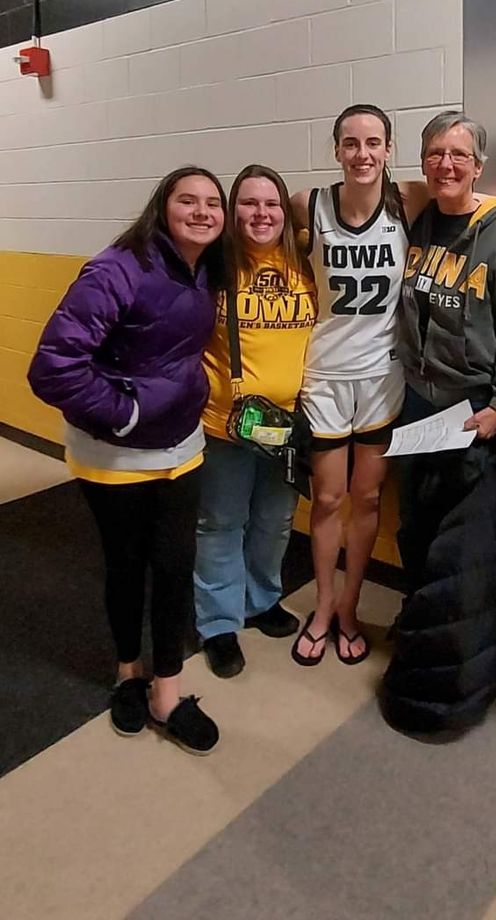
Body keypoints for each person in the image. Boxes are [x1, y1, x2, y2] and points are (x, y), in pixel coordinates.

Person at [289, 105, 496, 669]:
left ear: (387, 148)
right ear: (335, 150)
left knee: (374, 500)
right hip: (331, 376)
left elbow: (481, 200)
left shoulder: (407, 199)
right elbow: (254, 222)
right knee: (330, 500)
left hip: (388, 379)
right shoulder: (310, 203)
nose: (362, 153)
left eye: (373, 142)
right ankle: (325, 607)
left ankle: (353, 609)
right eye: (350, 143)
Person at [28, 166, 228, 756]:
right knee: (126, 565)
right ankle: (127, 673)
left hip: (182, 447)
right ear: (161, 208)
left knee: (174, 566)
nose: (201, 212)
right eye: (186, 200)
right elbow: (52, 367)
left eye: (212, 203)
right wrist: (125, 412)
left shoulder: (206, 269)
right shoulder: (117, 268)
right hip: (113, 455)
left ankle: (167, 692)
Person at [380, 110, 496, 733]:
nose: (447, 163)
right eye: (436, 153)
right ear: (423, 161)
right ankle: (422, 634)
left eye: (460, 155)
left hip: (474, 409)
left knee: (464, 545)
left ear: (479, 165)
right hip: (419, 402)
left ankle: (459, 659)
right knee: (416, 527)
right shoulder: (419, 218)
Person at [194, 165, 316, 678]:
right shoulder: (213, 265)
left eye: (271, 204)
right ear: (231, 209)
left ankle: (261, 599)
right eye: (248, 203)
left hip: (289, 427)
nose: (261, 214)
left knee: (275, 520)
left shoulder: (307, 262)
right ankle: (219, 624)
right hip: (226, 423)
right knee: (221, 523)